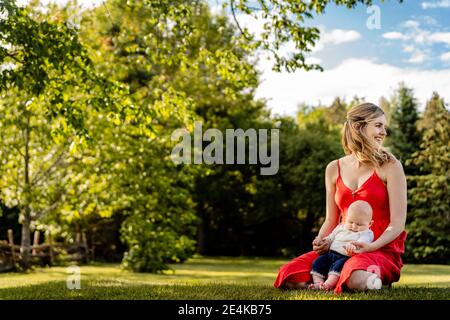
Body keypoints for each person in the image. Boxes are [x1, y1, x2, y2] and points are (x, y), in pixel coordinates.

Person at [273, 102, 407, 293]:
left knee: (357, 278)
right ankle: (338, 278)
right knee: (288, 274)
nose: (383, 132)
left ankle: (349, 277)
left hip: (379, 249)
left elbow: (398, 223)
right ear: (357, 127)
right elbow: (331, 219)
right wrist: (322, 240)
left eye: (384, 126)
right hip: (336, 250)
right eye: (378, 125)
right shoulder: (333, 168)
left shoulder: (391, 166)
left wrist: (370, 247)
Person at [309, 200, 374, 290]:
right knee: (317, 262)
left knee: (337, 268)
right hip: (330, 254)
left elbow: (363, 242)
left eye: (359, 224)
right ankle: (317, 283)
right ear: (346, 218)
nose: (354, 226)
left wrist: (354, 246)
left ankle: (328, 285)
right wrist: (323, 241)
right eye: (351, 222)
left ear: (370, 224)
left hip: (345, 256)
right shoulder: (340, 227)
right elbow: (331, 237)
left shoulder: (367, 233)